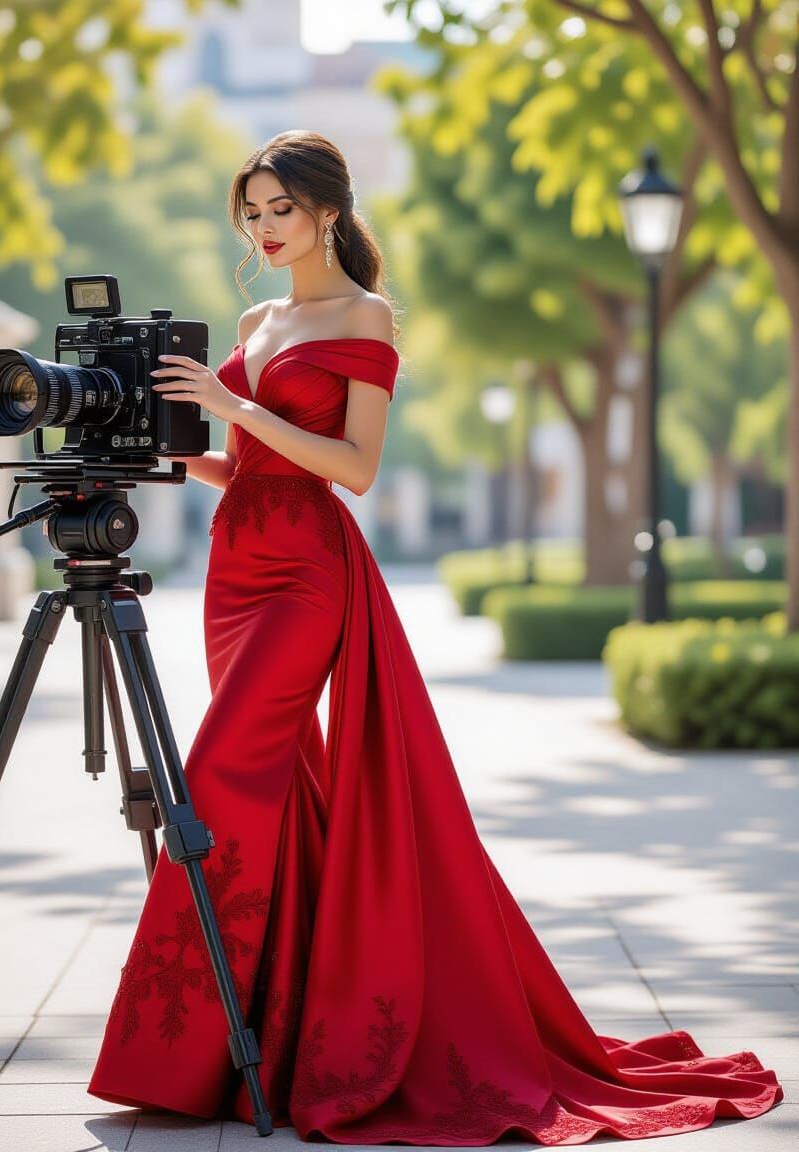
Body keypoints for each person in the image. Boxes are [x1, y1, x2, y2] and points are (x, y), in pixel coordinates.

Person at [86, 130, 783, 1144]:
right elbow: (246, 470)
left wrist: (234, 401)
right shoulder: (255, 316)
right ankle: (265, 1039)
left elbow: (352, 468)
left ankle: (177, 1051)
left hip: (307, 577)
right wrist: (163, 448)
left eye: (281, 209)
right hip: (234, 570)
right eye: (251, 212)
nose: (264, 228)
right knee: (273, 797)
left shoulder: (364, 316)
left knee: (219, 779)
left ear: (328, 210)